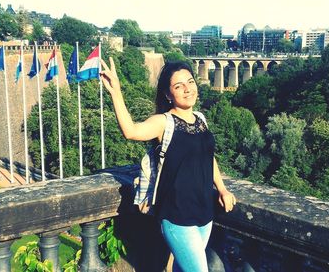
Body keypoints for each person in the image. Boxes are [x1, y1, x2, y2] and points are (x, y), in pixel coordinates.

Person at [100, 57, 236, 272]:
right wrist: (116, 92)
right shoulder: (164, 122)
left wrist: (222, 189)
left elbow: (208, 158)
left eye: (190, 82)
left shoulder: (200, 119)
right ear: (167, 94)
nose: (187, 89)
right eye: (178, 86)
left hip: (204, 211)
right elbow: (131, 131)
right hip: (177, 215)